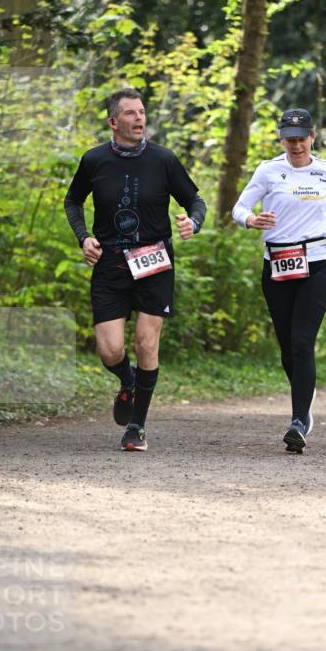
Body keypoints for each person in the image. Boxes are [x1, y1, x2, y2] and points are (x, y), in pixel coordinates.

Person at [64, 87, 206, 452]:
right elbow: (73, 201)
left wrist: (193, 221)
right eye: (130, 113)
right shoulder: (94, 160)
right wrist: (83, 238)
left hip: (153, 259)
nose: (139, 118)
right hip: (110, 261)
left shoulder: (163, 160)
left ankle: (136, 426)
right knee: (109, 350)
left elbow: (195, 199)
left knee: (146, 341)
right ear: (113, 122)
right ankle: (128, 382)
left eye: (141, 111)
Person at [232, 108, 326, 453]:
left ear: (312, 137)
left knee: (301, 342)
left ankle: (299, 420)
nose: (296, 146)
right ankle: (305, 396)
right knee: (287, 348)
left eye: (302, 139)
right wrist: (252, 220)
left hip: (315, 265)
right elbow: (239, 207)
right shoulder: (268, 171)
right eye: (290, 140)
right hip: (278, 267)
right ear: (281, 139)